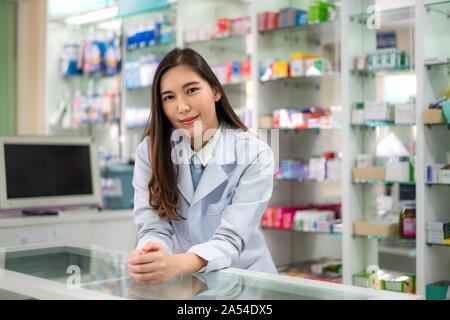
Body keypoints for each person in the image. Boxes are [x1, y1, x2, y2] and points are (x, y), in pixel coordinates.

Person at [126, 47, 276, 284]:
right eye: (169, 97)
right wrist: (150, 255)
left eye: (192, 90)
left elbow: (230, 239)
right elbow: (154, 229)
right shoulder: (150, 152)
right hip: (188, 281)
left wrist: (177, 264)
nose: (182, 106)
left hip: (246, 279)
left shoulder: (255, 154)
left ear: (216, 91)